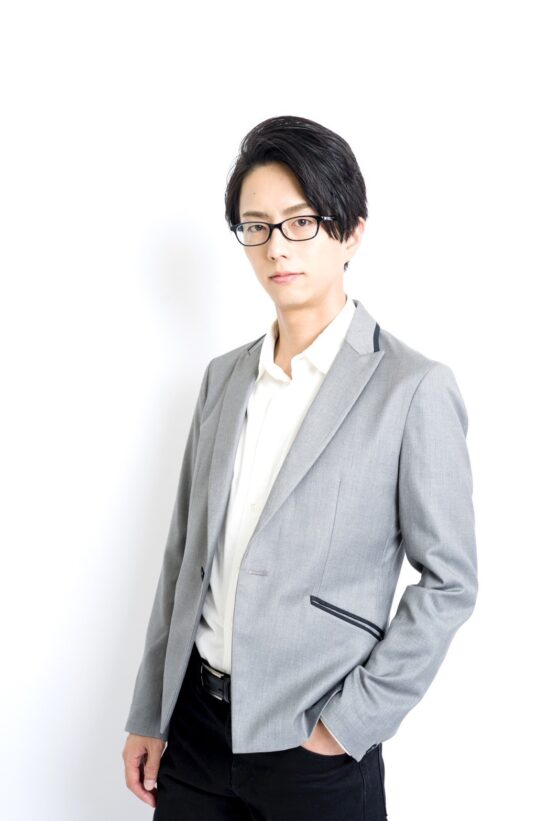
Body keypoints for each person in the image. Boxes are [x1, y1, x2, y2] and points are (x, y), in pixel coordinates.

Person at [122, 115, 478, 820]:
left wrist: (346, 726)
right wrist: (150, 711)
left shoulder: (412, 388)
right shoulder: (224, 379)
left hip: (314, 745)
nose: (276, 246)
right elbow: (183, 558)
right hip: (194, 734)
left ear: (351, 232)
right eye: (256, 226)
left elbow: (450, 581)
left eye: (300, 221)